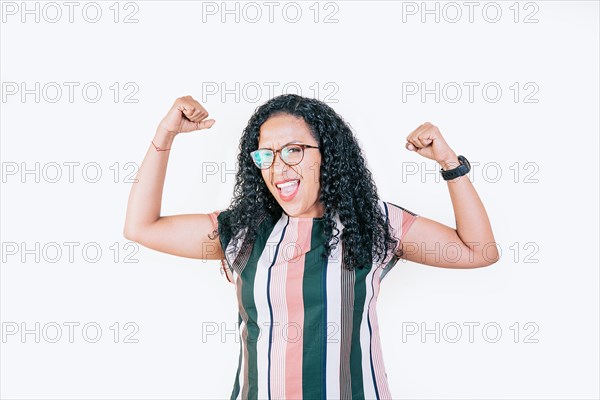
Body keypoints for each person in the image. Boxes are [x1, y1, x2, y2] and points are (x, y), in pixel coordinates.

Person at [123, 94, 500, 400]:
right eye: (266, 155)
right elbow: (141, 227)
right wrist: (164, 135)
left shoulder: (373, 223)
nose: (278, 167)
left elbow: (478, 251)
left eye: (293, 150)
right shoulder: (244, 230)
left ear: (327, 154)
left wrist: (450, 164)